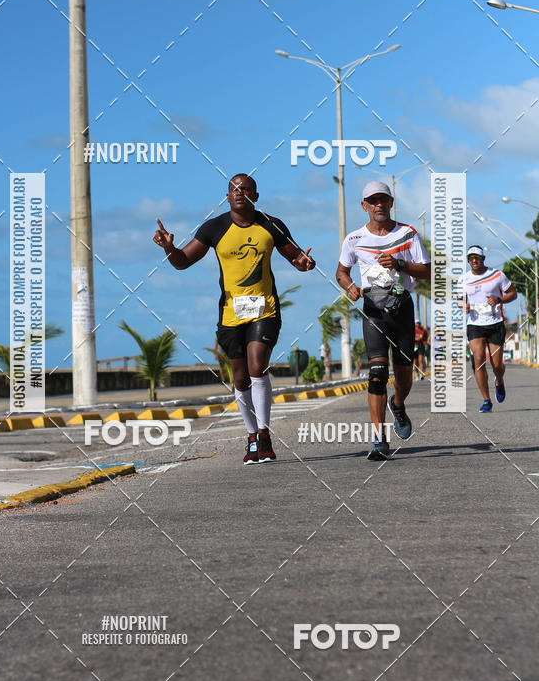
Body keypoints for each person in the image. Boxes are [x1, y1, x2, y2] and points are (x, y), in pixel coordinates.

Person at [153, 173, 315, 464]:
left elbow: (297, 257)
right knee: (240, 378)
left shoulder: (272, 224)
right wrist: (168, 248)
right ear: (227, 196)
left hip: (265, 309)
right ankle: (252, 435)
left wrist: (305, 264)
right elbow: (182, 262)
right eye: (234, 189)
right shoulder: (214, 228)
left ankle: (264, 433)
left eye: (246, 189)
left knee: (257, 365)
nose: (239, 193)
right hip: (230, 314)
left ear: (255, 195)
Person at [336, 181, 431, 460]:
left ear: (391, 203)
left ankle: (398, 404)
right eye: (372, 200)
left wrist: (399, 264)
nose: (378, 204)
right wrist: (350, 287)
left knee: (403, 374)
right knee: (377, 373)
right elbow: (341, 271)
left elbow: (426, 271)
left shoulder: (407, 234)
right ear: (364, 206)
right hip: (373, 311)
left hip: (402, 308)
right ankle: (378, 438)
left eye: (383, 199)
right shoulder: (354, 239)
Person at [465, 246, 517, 412]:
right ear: (468, 260)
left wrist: (498, 299)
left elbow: (513, 293)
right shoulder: (463, 279)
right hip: (475, 324)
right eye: (471, 258)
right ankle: (486, 400)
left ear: (483, 258)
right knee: (478, 360)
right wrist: (463, 306)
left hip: (495, 323)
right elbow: (460, 300)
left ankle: (499, 381)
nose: (474, 260)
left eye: (477, 257)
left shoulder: (497, 275)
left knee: (496, 365)